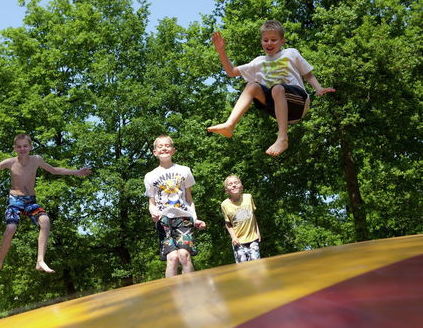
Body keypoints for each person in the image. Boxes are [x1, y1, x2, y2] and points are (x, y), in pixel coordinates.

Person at [0, 134, 91, 273]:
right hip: (15, 201)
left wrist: (76, 172)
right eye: (19, 147)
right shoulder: (10, 162)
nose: (22, 149)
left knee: (45, 221)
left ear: (30, 147)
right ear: (15, 148)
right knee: (10, 228)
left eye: (25, 146)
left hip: (30, 202)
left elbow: (54, 170)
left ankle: (40, 260)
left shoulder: (36, 160)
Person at [208, 20, 336, 157]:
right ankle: (230, 124)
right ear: (262, 42)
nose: (269, 43)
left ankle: (282, 138)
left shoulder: (291, 53)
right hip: (278, 108)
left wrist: (318, 88)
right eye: (266, 40)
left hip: (298, 102)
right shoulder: (258, 62)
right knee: (252, 86)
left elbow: (308, 74)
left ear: (282, 41)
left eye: (273, 40)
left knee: (277, 89)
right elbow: (232, 72)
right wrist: (221, 51)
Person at [144, 134, 206, 278]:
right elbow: (151, 203)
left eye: (167, 145)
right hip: (163, 220)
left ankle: (192, 289)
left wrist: (195, 218)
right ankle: (171, 294)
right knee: (172, 258)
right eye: (160, 146)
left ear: (173, 150)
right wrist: (153, 212)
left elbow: (189, 199)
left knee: (184, 255)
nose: (164, 148)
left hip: (183, 218)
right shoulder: (150, 176)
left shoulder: (185, 171)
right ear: (155, 152)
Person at [221, 175, 262, 263]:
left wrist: (257, 232)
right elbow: (227, 223)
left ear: (241, 187)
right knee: (242, 265)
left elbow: (253, 216)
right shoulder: (224, 205)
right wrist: (233, 237)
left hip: (252, 238)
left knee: (256, 262)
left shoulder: (248, 198)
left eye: (236, 183)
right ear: (226, 190)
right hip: (238, 241)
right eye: (230, 184)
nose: (234, 185)